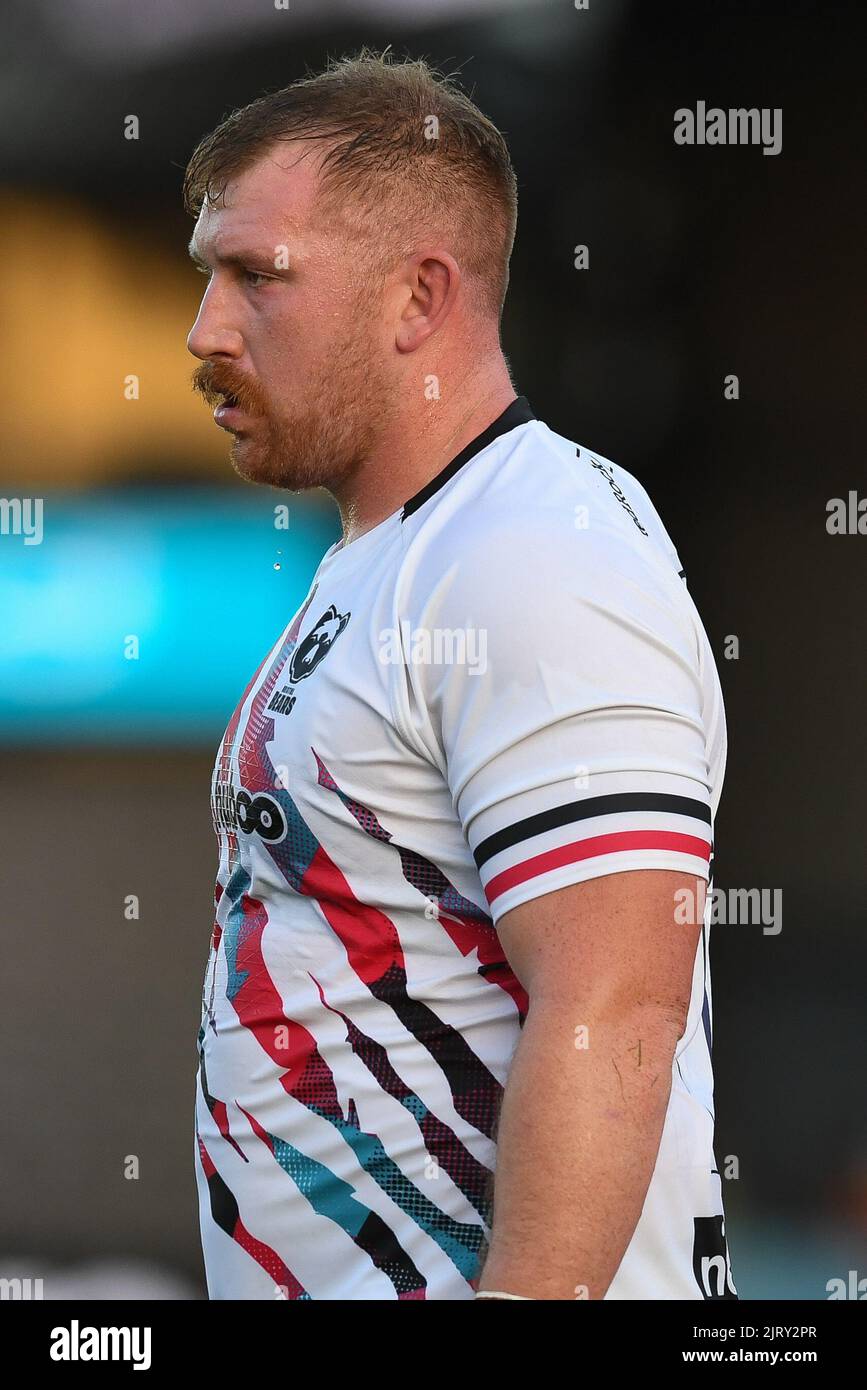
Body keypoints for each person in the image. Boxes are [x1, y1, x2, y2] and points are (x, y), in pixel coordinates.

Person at [185, 49, 736, 1301]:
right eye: (207, 274)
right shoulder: (394, 557)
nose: (204, 331)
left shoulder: (530, 550)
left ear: (418, 299)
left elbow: (615, 1008)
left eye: (256, 276)